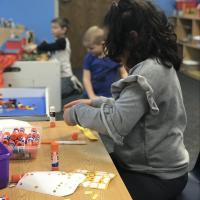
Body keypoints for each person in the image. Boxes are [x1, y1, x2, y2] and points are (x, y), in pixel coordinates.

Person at [63, 1, 189, 200]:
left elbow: (117, 122)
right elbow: (129, 108)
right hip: (139, 166)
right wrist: (94, 103)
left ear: (132, 39)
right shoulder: (154, 63)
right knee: (80, 169)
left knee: (86, 194)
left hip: (157, 176)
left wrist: (77, 114)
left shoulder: (150, 71)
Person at [28, 17, 82, 98]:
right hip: (57, 75)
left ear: (64, 30)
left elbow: (51, 46)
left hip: (65, 77)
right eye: (52, 27)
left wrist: (36, 47)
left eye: (55, 28)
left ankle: (73, 87)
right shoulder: (58, 41)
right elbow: (52, 48)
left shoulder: (62, 41)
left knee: (53, 95)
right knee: (48, 91)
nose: (52, 30)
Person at [82, 26, 127, 99]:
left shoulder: (114, 56)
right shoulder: (89, 57)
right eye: (87, 48)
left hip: (110, 96)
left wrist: (125, 87)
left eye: (91, 48)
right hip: (92, 95)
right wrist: (92, 96)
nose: (88, 51)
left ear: (103, 44)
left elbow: (123, 73)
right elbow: (86, 79)